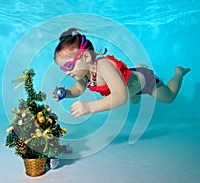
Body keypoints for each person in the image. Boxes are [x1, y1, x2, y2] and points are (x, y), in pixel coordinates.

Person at [52, 28, 190, 117]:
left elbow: (120, 97)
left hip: (147, 82)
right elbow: (78, 89)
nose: (67, 72)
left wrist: (90, 107)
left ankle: (179, 73)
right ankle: (135, 75)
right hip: (130, 88)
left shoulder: (103, 65)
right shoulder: (84, 73)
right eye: (63, 68)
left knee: (169, 97)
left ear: (87, 57)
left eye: (69, 66)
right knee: (134, 99)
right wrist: (66, 94)